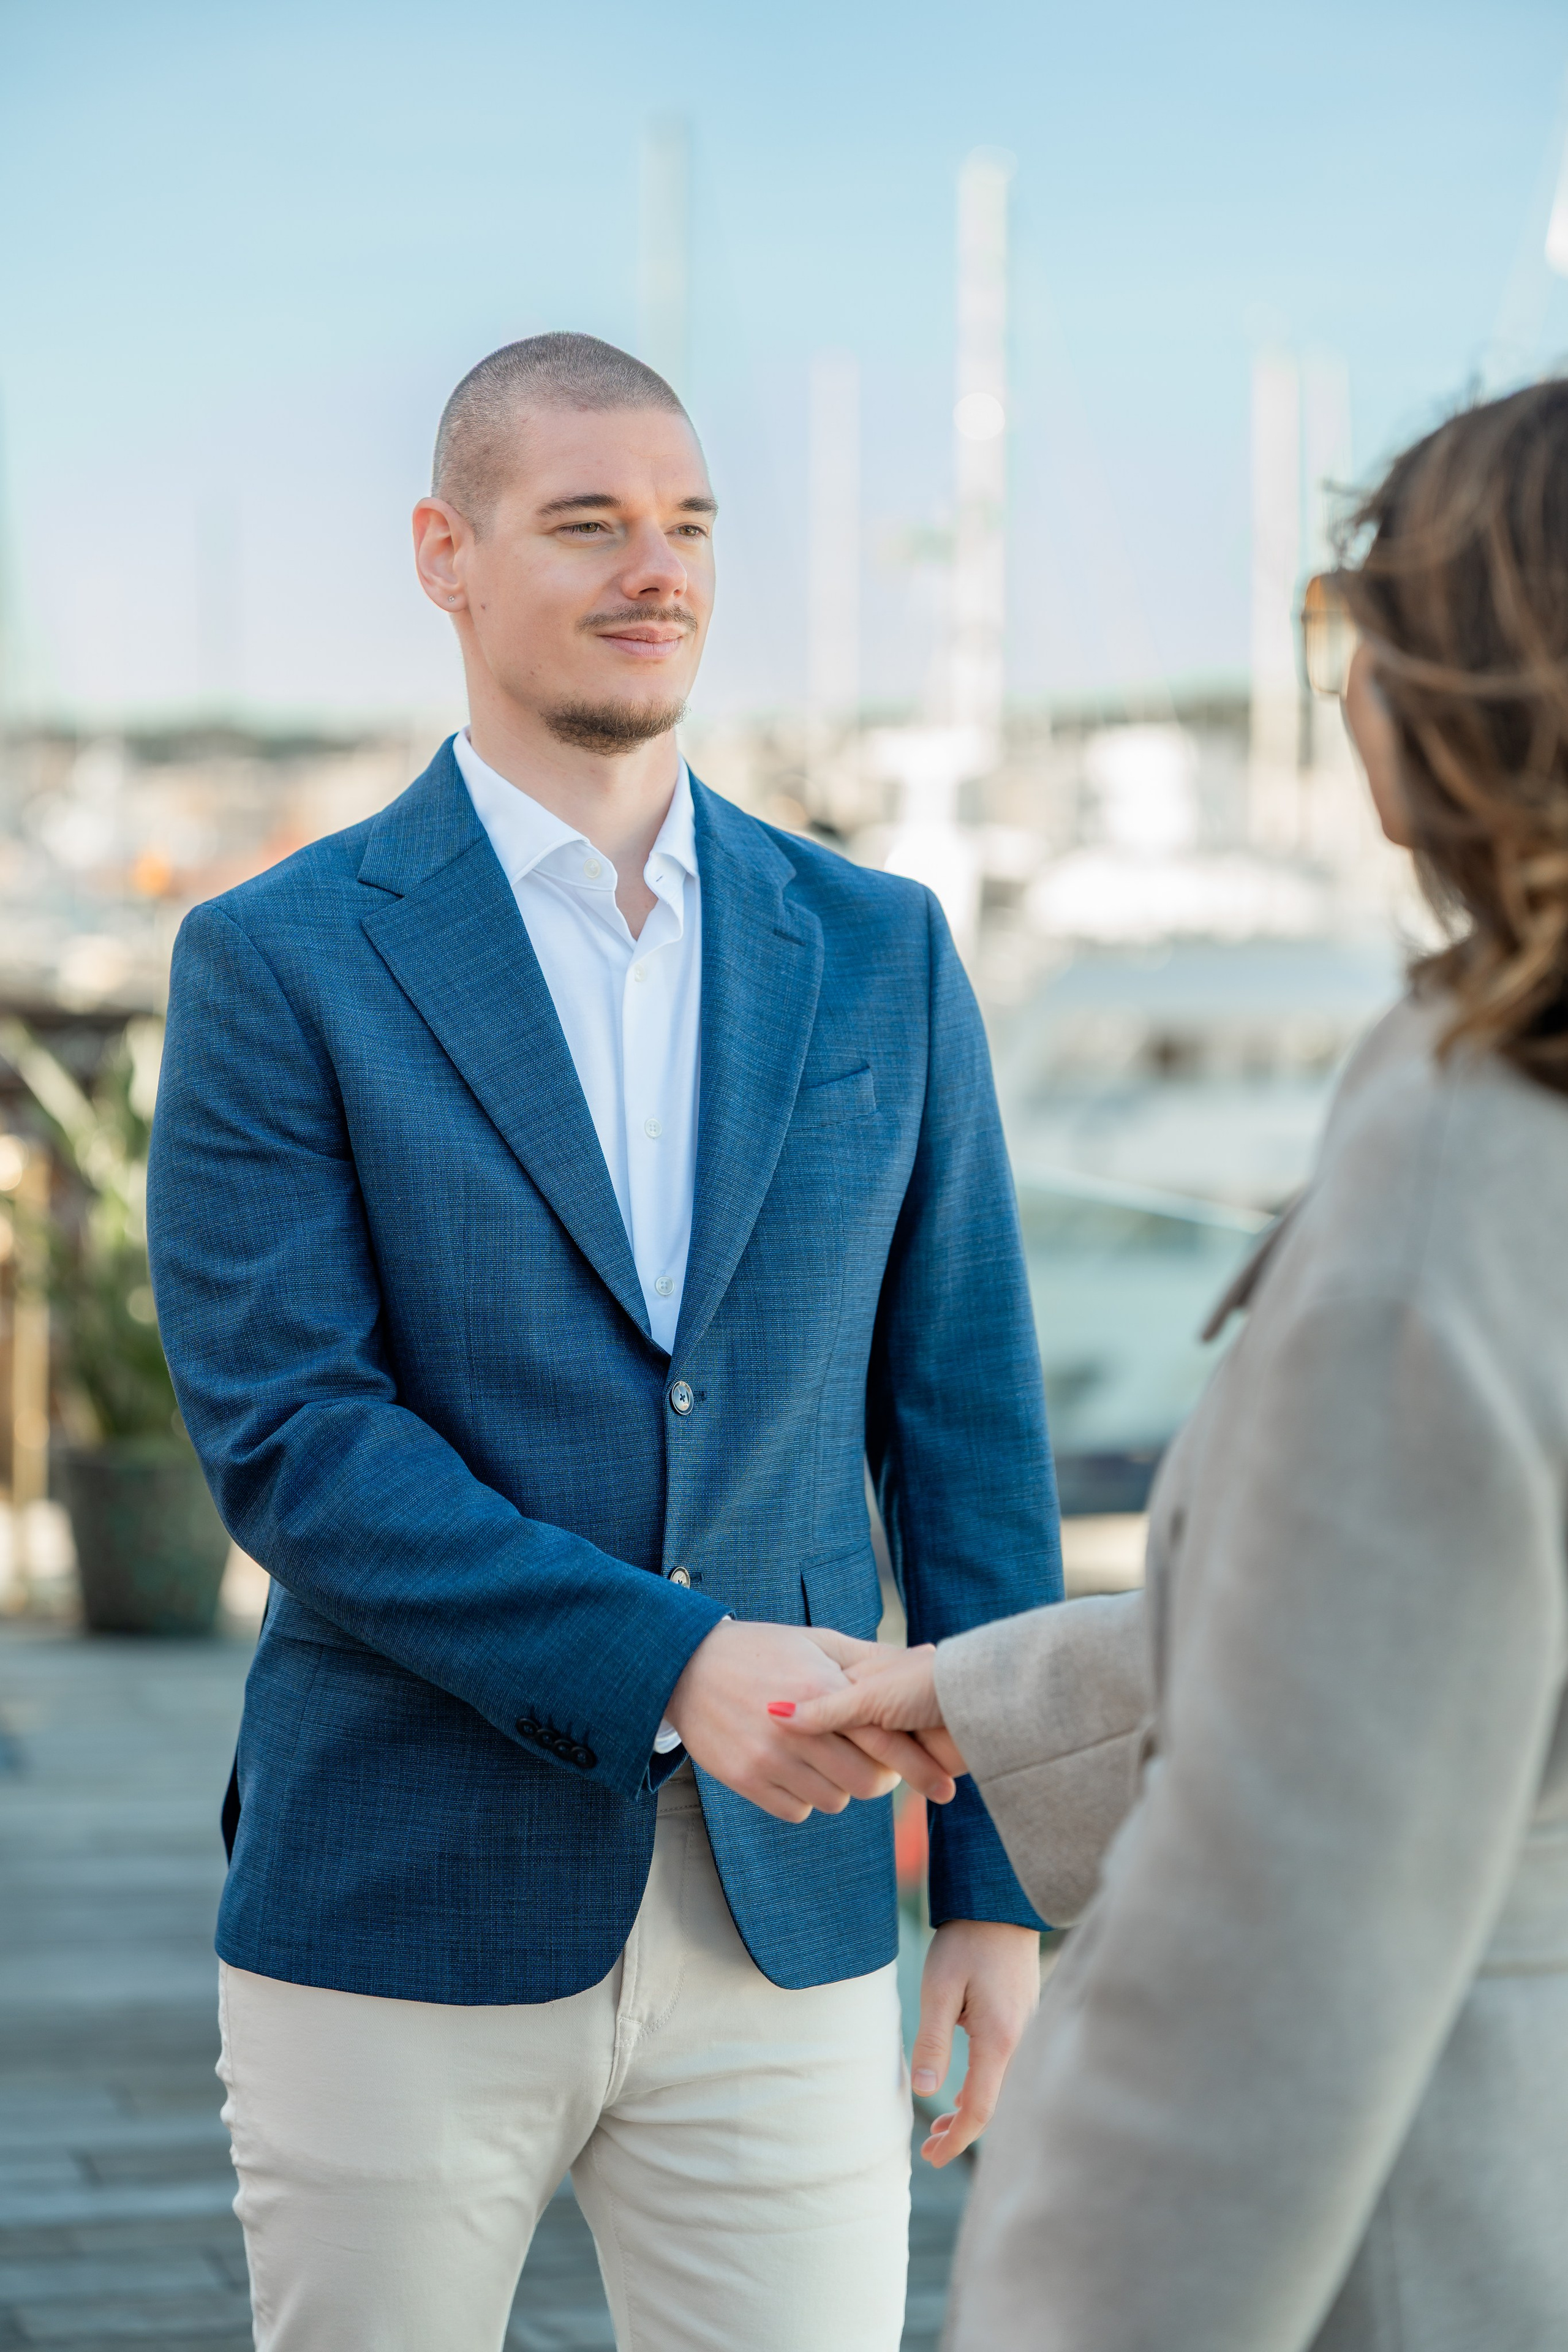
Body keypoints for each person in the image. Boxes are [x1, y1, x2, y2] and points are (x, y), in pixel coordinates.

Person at [145, 331, 1057, 2352]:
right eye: (586, 523)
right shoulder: (277, 960)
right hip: (397, 1891)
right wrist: (675, 1661)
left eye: (690, 525)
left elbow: (966, 1429)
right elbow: (296, 1440)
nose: (657, 569)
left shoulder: (883, 948)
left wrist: (999, 1875)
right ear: (444, 555)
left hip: (801, 1916)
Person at [785, 381, 1568, 2351]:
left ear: (1451, 698)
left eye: (1350, 628)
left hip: (1442, 2209)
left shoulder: (1464, 1181)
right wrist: (982, 1687)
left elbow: (1284, 1922)